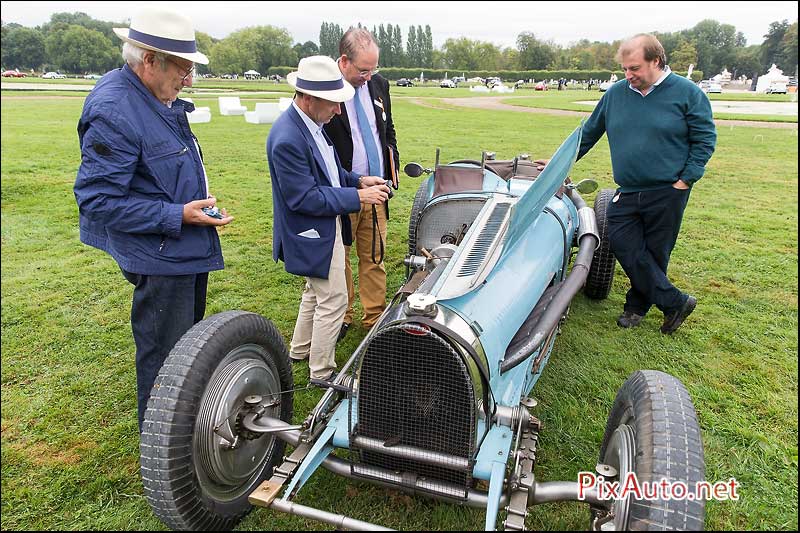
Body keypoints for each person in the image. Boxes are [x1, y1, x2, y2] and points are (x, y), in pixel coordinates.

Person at [73, 7, 233, 431]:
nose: (189, 79)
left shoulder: (153, 94)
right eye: (183, 68)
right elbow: (96, 200)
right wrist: (177, 214)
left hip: (182, 242)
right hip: (160, 253)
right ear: (149, 60)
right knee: (166, 356)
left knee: (186, 352)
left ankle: (182, 431)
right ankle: (164, 449)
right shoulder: (114, 109)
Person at [537, 34, 716, 334]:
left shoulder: (687, 93)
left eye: (634, 68)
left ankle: (635, 307)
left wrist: (686, 179)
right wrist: (559, 163)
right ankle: (675, 302)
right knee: (622, 242)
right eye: (625, 69)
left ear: (656, 61)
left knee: (656, 253)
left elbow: (705, 138)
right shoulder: (616, 94)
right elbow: (588, 133)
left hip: (668, 190)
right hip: (628, 189)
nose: (628, 75)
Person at [267, 55, 390, 381]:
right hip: (311, 231)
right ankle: (322, 372)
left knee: (315, 291)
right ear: (307, 98)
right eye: (333, 103)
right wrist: (359, 197)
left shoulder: (311, 125)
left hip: (323, 225)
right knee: (333, 298)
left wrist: (358, 180)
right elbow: (303, 197)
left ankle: (299, 349)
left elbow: (331, 172)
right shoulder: (288, 138)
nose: (338, 111)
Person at [324, 28, 399, 342]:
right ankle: (342, 316)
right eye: (363, 70)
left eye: (374, 68)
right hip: (340, 190)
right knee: (338, 260)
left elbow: (387, 131)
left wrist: (392, 163)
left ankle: (374, 319)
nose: (369, 76)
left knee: (375, 256)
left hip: (375, 189)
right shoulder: (323, 87)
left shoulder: (379, 84)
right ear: (343, 61)